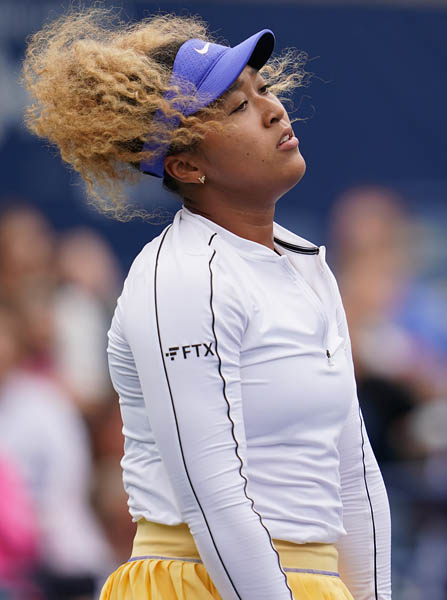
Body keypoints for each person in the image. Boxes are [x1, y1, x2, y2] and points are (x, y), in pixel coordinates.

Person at [22, 8, 392, 600]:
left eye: (263, 89)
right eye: (239, 107)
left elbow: (354, 473)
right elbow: (213, 499)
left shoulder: (307, 267)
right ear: (187, 165)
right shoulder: (181, 277)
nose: (274, 110)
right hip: (194, 583)